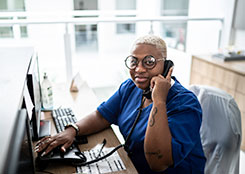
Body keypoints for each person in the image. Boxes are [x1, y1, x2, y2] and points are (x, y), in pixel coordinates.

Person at [35, 35, 206, 174]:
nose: (139, 69)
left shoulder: (185, 104)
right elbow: (102, 115)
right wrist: (72, 130)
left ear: (167, 66)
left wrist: (159, 101)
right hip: (132, 166)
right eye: (134, 61)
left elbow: (157, 163)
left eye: (149, 61)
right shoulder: (131, 87)